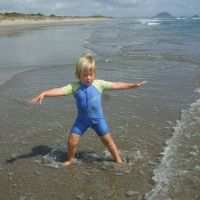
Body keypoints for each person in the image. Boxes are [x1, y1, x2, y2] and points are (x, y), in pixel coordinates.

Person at [30, 54, 147, 167]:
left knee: (108, 141)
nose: (89, 78)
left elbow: (116, 85)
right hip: (81, 120)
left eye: (91, 75)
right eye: (85, 75)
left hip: (98, 120)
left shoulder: (99, 84)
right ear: (78, 75)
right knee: (71, 142)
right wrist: (45, 93)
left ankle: (118, 160)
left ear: (94, 74)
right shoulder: (74, 87)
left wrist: (132, 85)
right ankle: (71, 159)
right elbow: (59, 90)